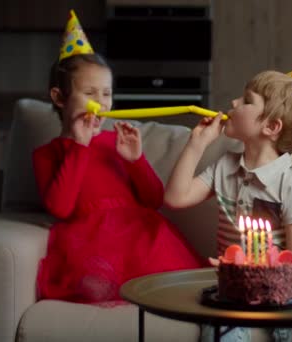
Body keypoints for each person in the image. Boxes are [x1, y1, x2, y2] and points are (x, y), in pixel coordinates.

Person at [33, 10, 203, 305]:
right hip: (90, 239)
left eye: (107, 93)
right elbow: (60, 208)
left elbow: (154, 200)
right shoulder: (47, 154)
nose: (101, 102)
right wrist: (79, 147)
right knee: (94, 285)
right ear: (60, 98)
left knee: (174, 279)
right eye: (90, 93)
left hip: (138, 233)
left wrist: (135, 160)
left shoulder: (116, 141)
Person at [164, 56, 292, 342]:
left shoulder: (291, 184)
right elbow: (176, 198)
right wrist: (197, 144)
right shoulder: (224, 167)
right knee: (219, 333)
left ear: (271, 127)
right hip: (231, 290)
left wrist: (262, 276)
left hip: (280, 291)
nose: (234, 103)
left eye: (246, 100)